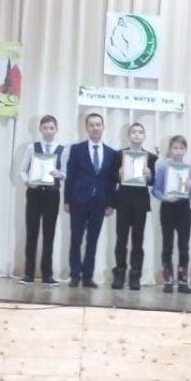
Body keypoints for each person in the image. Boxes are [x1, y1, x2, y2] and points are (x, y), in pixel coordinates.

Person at [63, 112, 117, 288]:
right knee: (76, 239)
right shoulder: (77, 149)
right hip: (78, 200)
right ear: (86, 128)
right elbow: (70, 176)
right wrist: (67, 200)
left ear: (103, 127)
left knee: (92, 241)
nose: (95, 128)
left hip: (99, 202)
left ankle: (88, 276)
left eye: (98, 124)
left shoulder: (111, 153)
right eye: (91, 125)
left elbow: (112, 181)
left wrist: (111, 203)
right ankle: (75, 275)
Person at [18, 114, 64, 285]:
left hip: (52, 194)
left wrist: (60, 174)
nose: (48, 131)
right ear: (40, 129)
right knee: (32, 232)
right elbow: (22, 170)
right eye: (45, 128)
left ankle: (47, 275)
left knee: (49, 234)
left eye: (51, 128)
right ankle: (28, 273)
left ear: (56, 129)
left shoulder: (62, 149)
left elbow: (66, 172)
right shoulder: (32, 147)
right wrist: (27, 181)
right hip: (34, 193)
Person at [112, 122, 158, 291]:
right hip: (123, 201)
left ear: (144, 136)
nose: (137, 134)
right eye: (133, 132)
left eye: (140, 132)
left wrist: (149, 174)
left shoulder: (151, 157)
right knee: (121, 239)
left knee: (138, 241)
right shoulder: (119, 155)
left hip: (140, 202)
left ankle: (135, 276)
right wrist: (119, 174)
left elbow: (153, 182)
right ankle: (119, 274)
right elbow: (112, 177)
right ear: (128, 135)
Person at [152, 134, 191, 294]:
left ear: (185, 150)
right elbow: (155, 189)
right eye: (175, 148)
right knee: (167, 244)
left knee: (184, 246)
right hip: (167, 208)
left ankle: (183, 280)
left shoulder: (190, 169)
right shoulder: (163, 167)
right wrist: (165, 198)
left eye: (181, 148)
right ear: (170, 149)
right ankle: (168, 280)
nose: (178, 151)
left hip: (183, 208)